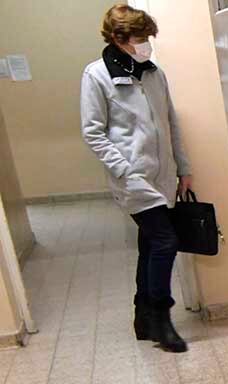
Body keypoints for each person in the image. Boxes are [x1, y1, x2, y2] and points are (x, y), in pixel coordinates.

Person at [80, 4, 191, 352]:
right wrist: (125, 168)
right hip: (134, 178)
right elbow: (93, 131)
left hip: (164, 175)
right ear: (119, 38)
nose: (147, 46)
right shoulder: (96, 76)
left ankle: (142, 316)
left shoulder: (154, 74)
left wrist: (183, 168)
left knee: (149, 245)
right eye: (140, 39)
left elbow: (171, 122)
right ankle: (161, 317)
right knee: (164, 241)